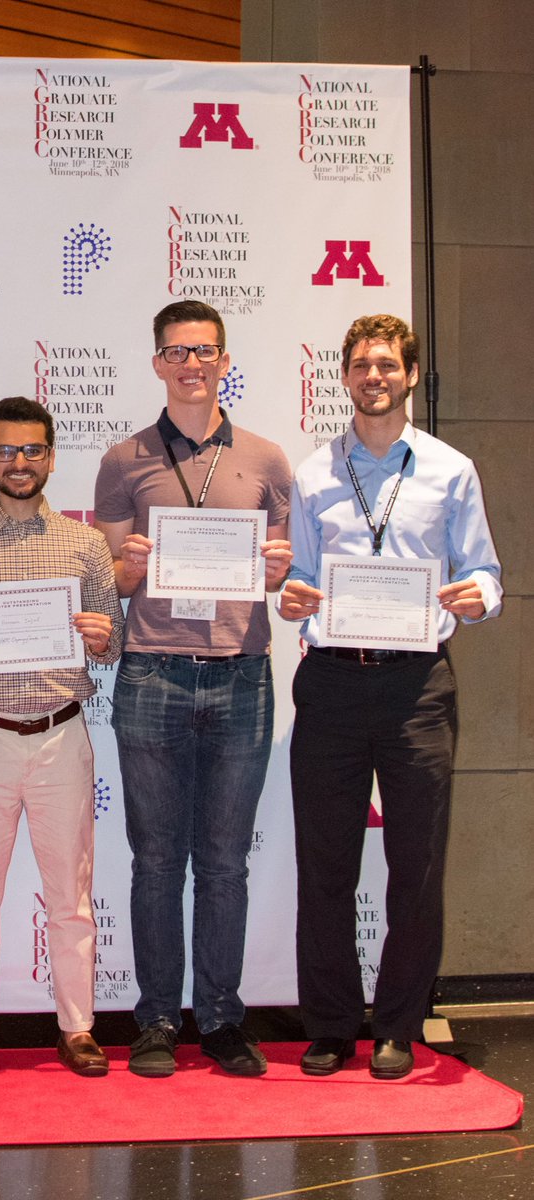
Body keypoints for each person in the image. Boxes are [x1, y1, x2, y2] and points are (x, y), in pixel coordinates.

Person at [279, 313, 502, 1081]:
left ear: (408, 375)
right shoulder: (312, 473)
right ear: (342, 377)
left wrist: (479, 598)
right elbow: (298, 579)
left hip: (416, 685)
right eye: (360, 364)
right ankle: (331, 1025)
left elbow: (486, 573)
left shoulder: (450, 469)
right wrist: (293, 598)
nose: (373, 376)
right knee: (324, 861)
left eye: (387, 364)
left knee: (415, 862)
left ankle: (399, 1024)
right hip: (332, 681)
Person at [93, 299, 292, 1078]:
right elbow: (110, 580)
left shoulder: (267, 460)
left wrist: (279, 574)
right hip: (151, 673)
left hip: (241, 674)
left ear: (223, 360)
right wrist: (128, 570)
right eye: (176, 352)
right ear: (156, 363)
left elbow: (283, 569)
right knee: (153, 861)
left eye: (204, 351)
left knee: (223, 862)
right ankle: (153, 1020)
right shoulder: (123, 459)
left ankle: (220, 1018)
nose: (191, 365)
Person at [0, 396, 123, 1079]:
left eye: (32, 450)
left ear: (49, 456)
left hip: (58, 735)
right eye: (5, 451)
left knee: (69, 897)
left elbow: (110, 643)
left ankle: (76, 1028)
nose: (19, 462)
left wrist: (103, 636)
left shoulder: (85, 543)